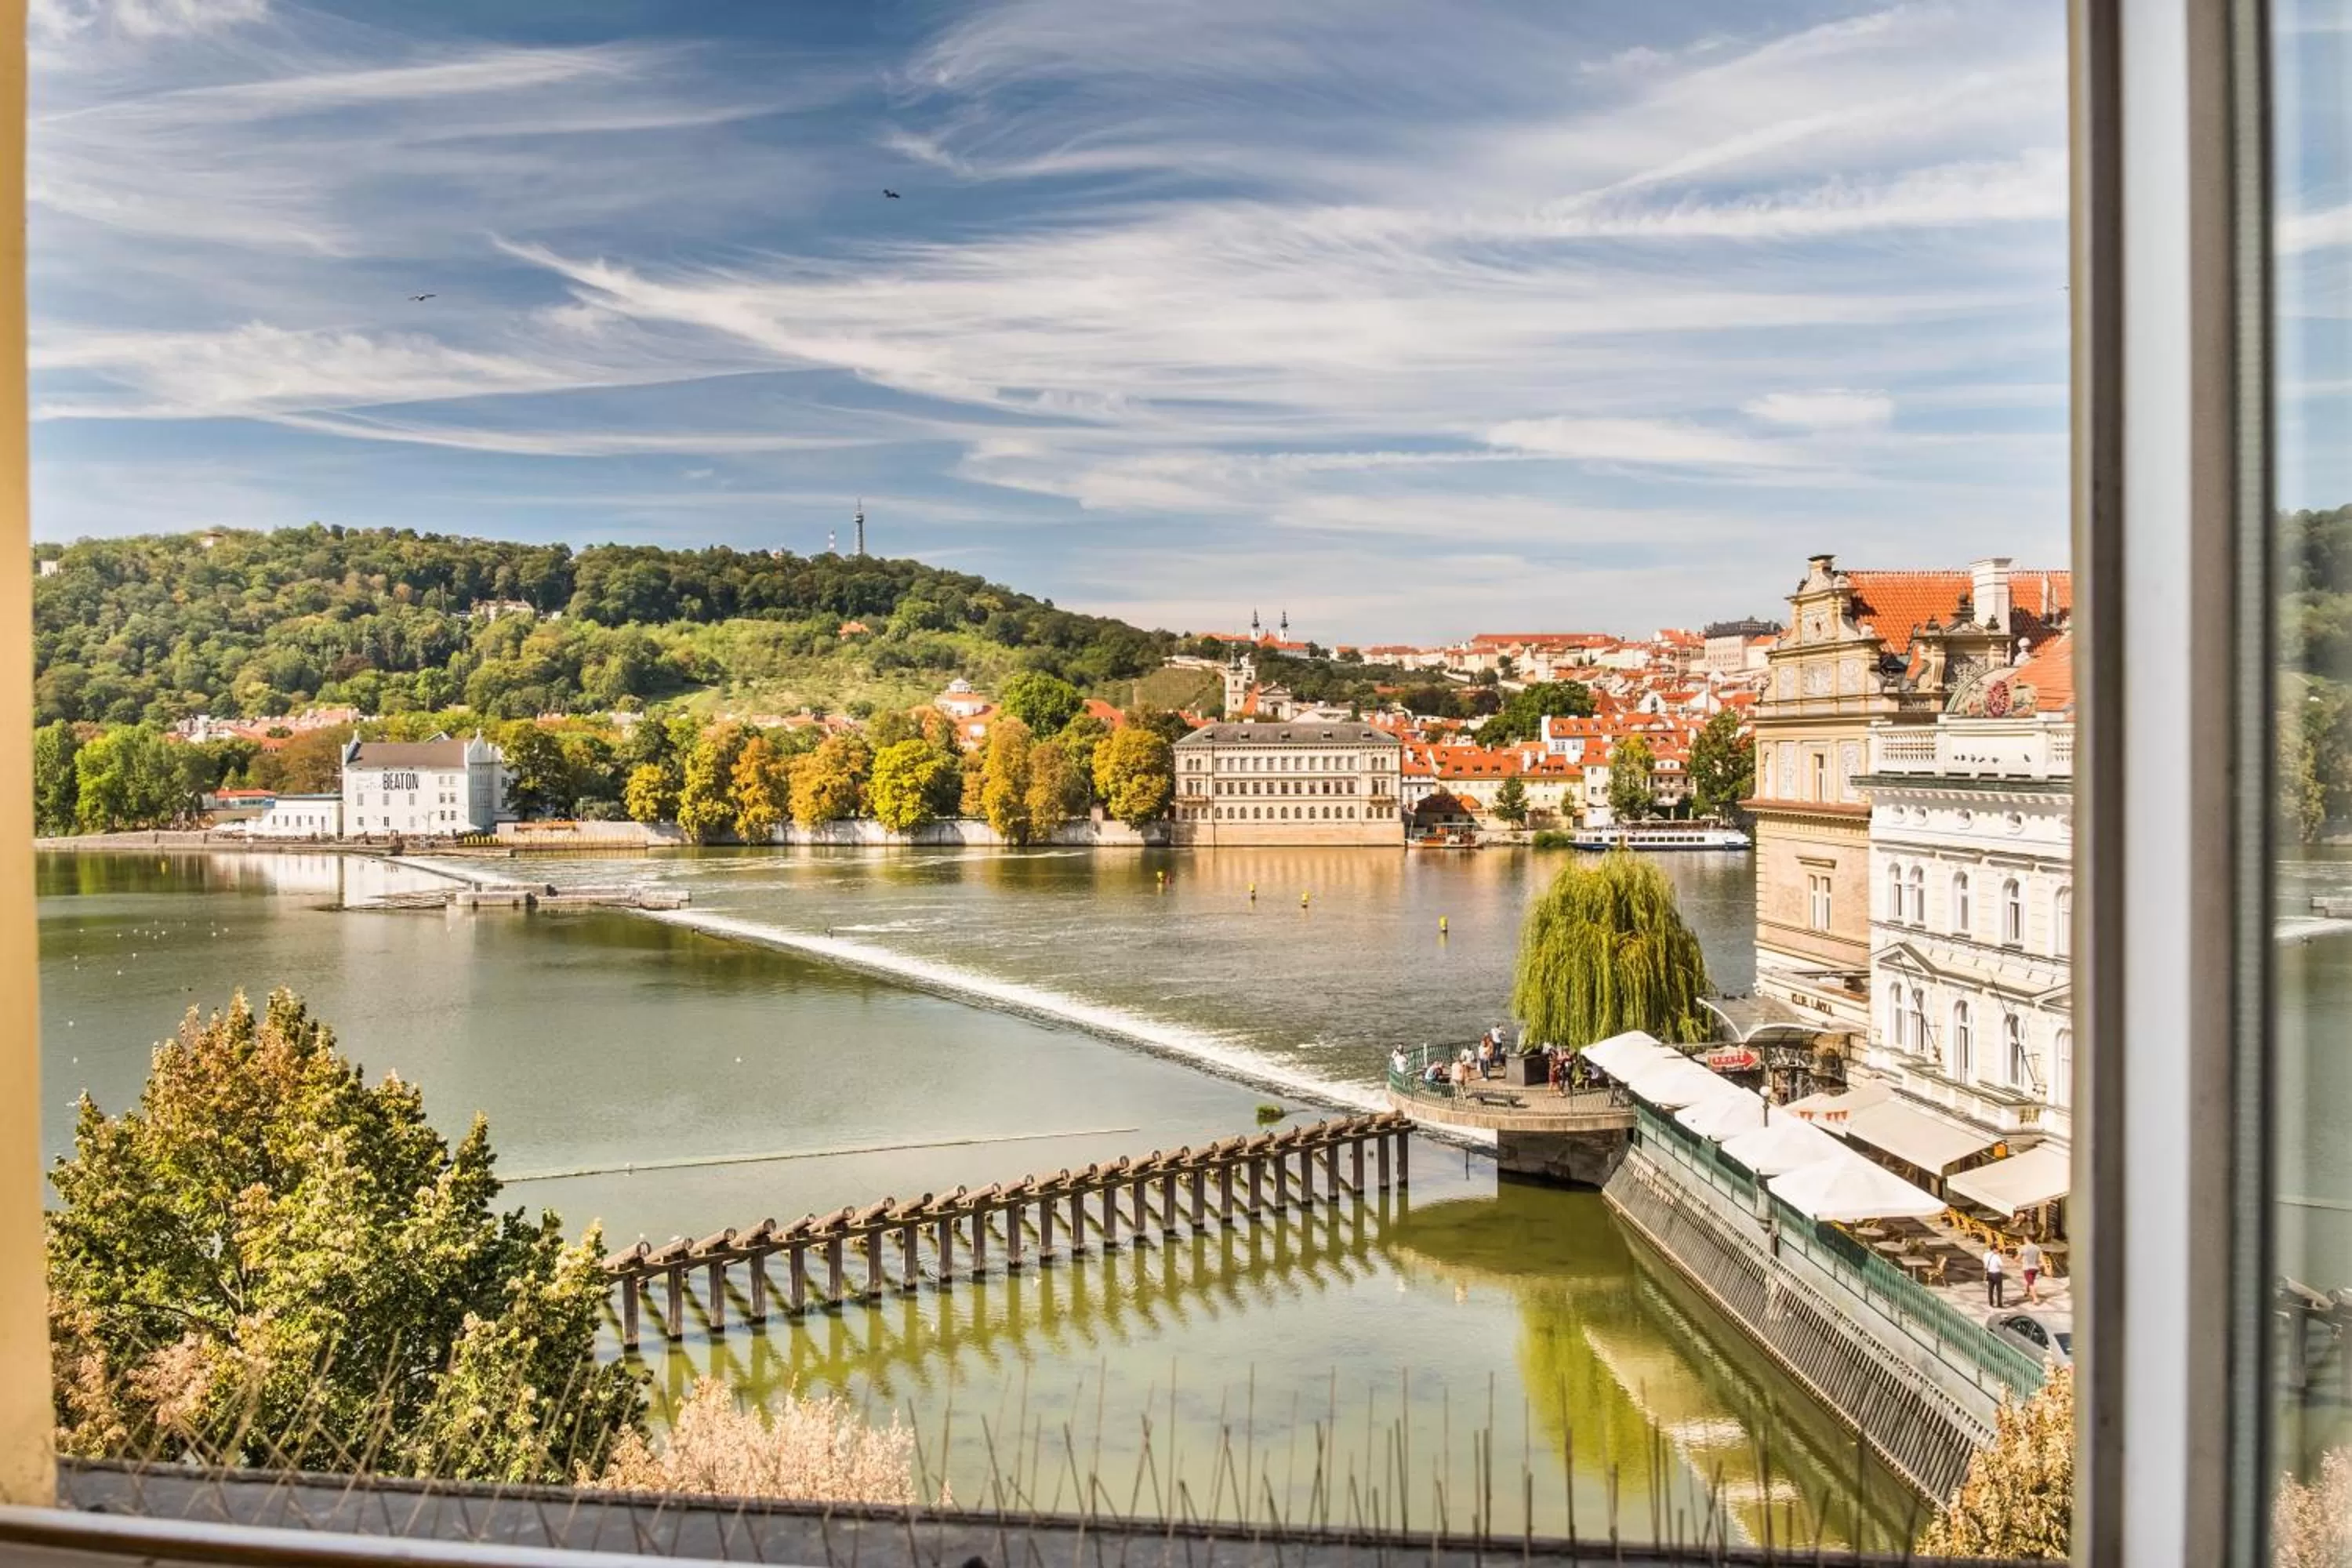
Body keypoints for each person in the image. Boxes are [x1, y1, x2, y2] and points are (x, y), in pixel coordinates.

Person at [2019, 1236, 2045, 1304]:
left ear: (2026, 1239)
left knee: (2031, 1283)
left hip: (2027, 1268)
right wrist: (2043, 1266)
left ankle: (2035, 1299)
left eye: (2024, 1239)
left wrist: (2015, 1260)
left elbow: (2018, 1257)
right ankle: (2027, 1291)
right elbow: (2041, 1259)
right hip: (2035, 1268)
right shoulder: (2038, 1248)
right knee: (2030, 1280)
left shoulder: (2023, 1248)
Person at [1984, 1243, 2007, 1308]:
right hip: (1997, 1274)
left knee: (1990, 1288)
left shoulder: (1986, 1255)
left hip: (1989, 1273)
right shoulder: (1997, 1256)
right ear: (1994, 1249)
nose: (1998, 1250)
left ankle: (1991, 1303)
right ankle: (1999, 1303)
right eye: (1997, 1249)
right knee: (1999, 1289)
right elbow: (2001, 1265)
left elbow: (1985, 1264)